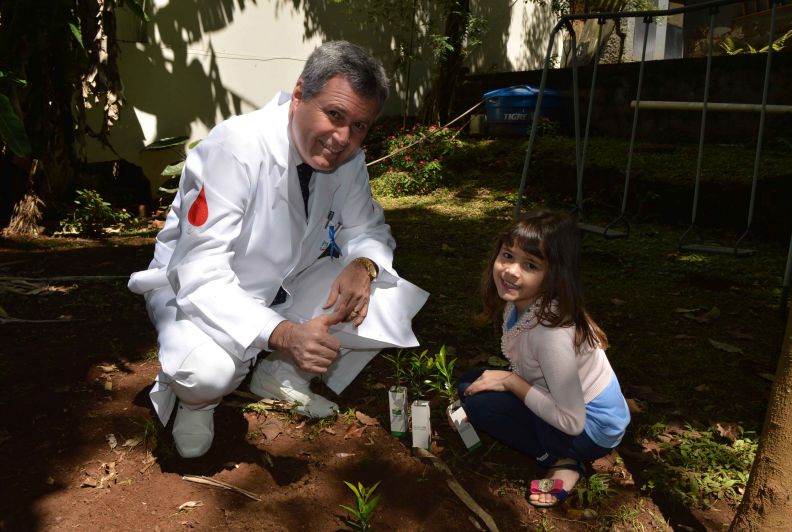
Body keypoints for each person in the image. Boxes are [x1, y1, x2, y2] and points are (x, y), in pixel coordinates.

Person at [128, 41, 427, 458]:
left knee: (386, 295)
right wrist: (285, 333)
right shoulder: (235, 147)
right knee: (207, 373)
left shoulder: (347, 159)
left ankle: (280, 374)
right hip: (199, 293)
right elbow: (200, 273)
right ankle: (198, 403)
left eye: (360, 126)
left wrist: (363, 264)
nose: (343, 138)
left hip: (284, 283)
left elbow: (367, 227)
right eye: (335, 115)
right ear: (300, 93)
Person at [457, 210, 629, 508]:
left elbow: (572, 421)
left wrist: (511, 382)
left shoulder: (551, 335)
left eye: (530, 265)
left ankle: (565, 461)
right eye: (508, 255)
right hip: (566, 402)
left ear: (553, 275)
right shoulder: (523, 302)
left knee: (480, 404)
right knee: (469, 383)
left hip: (591, 427)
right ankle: (555, 447)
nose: (511, 271)